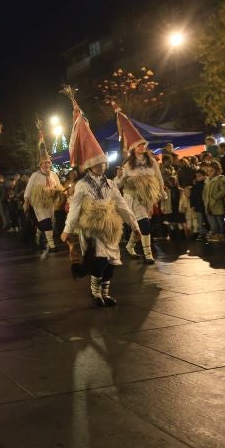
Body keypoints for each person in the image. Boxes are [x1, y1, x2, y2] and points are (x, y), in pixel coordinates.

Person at [61, 97, 140, 306]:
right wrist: (67, 230)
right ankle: (95, 292)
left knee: (112, 263)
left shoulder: (110, 184)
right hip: (92, 228)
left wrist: (134, 224)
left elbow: (121, 204)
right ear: (90, 165)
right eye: (99, 163)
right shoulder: (81, 185)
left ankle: (105, 292)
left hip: (110, 228)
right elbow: (75, 208)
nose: (103, 166)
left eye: (103, 163)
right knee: (99, 260)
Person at [113, 105, 164, 263]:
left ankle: (129, 247)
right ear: (133, 148)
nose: (142, 147)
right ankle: (148, 255)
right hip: (133, 197)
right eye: (138, 145)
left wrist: (161, 191)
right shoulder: (128, 164)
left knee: (139, 226)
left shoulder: (151, 161)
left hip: (148, 197)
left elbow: (158, 177)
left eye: (143, 145)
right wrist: (118, 176)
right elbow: (119, 184)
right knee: (144, 224)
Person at [23, 123, 64, 257]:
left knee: (47, 221)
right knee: (46, 221)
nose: (47, 165)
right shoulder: (35, 175)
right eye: (44, 163)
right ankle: (51, 245)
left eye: (48, 163)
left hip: (50, 202)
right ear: (41, 164)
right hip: (39, 202)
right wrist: (26, 201)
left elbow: (59, 186)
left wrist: (61, 191)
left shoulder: (53, 174)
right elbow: (28, 189)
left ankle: (39, 232)